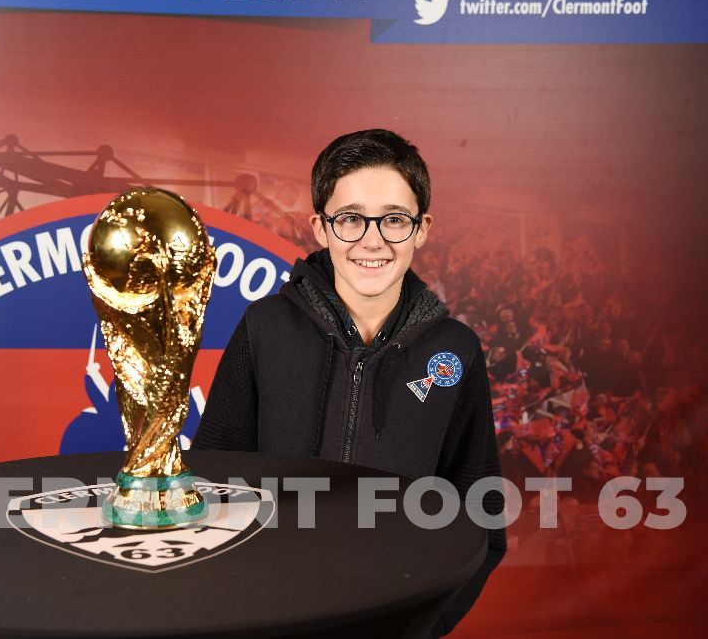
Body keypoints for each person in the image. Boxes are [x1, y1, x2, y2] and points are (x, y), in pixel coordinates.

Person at [193, 128, 505, 637]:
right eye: (351, 218)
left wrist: (424, 623)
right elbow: (213, 483)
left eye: (395, 220)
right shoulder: (266, 328)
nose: (372, 240)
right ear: (320, 227)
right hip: (269, 619)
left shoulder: (456, 351)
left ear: (422, 229)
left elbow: (482, 514)